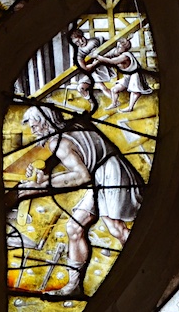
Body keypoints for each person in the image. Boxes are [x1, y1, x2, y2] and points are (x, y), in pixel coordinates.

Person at [14, 105, 144, 296]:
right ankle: (74, 286)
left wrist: (44, 183)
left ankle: (144, 268)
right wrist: (43, 176)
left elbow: (81, 176)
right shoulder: (72, 126)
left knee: (116, 228)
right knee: (74, 228)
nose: (33, 131)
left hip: (110, 175)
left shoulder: (59, 143)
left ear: (45, 123)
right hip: (102, 172)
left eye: (34, 126)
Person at [91, 38, 153, 113]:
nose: (117, 48)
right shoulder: (118, 53)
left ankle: (130, 107)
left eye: (120, 47)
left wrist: (97, 57)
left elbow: (112, 62)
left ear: (125, 48)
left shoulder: (125, 56)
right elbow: (108, 56)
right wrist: (98, 58)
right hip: (127, 76)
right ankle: (114, 103)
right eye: (117, 46)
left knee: (135, 91)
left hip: (135, 75)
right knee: (114, 90)